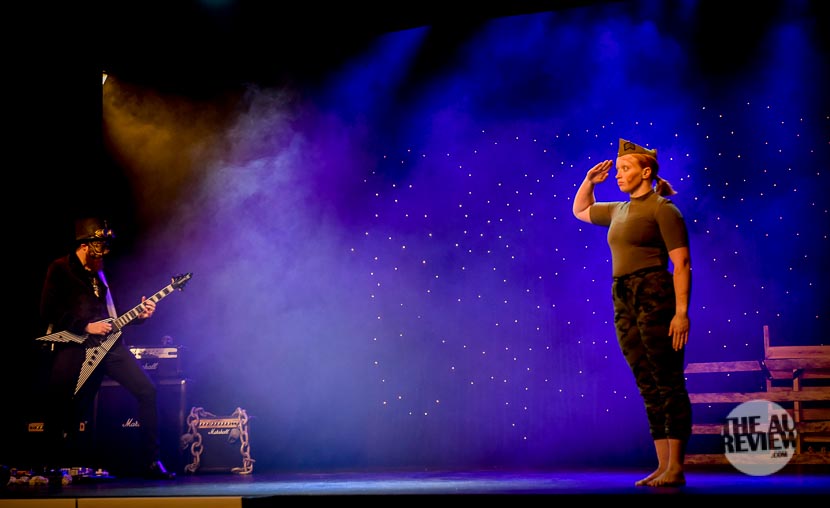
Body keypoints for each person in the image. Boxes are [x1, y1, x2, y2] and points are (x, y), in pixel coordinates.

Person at [572, 139, 692, 487]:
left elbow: (682, 263)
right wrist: (589, 181)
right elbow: (581, 210)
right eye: (619, 169)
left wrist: (681, 312)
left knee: (667, 380)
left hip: (654, 292)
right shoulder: (618, 210)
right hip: (623, 294)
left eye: (625, 169)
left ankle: (676, 467)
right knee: (646, 381)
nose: (619, 175)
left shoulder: (663, 209)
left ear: (646, 172)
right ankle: (662, 465)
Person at [39, 217, 176, 480]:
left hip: (110, 348)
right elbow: (48, 310)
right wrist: (85, 326)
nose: (103, 251)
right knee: (63, 404)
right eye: (99, 244)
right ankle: (51, 467)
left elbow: (114, 316)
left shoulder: (102, 272)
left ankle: (150, 462)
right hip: (77, 346)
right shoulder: (60, 268)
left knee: (147, 391)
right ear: (84, 245)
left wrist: (140, 316)